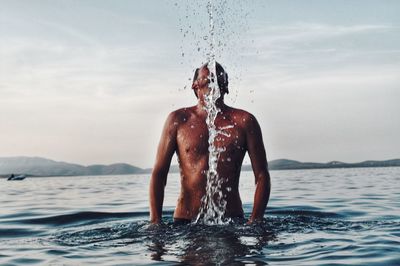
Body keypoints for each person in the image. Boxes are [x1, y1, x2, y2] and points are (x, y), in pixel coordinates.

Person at [149, 62, 271, 224]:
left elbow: (262, 175)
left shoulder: (244, 122)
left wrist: (255, 220)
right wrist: (155, 222)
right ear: (195, 85)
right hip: (186, 222)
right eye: (208, 79)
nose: (214, 82)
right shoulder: (178, 120)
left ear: (226, 86)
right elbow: (159, 173)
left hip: (231, 221)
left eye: (219, 79)